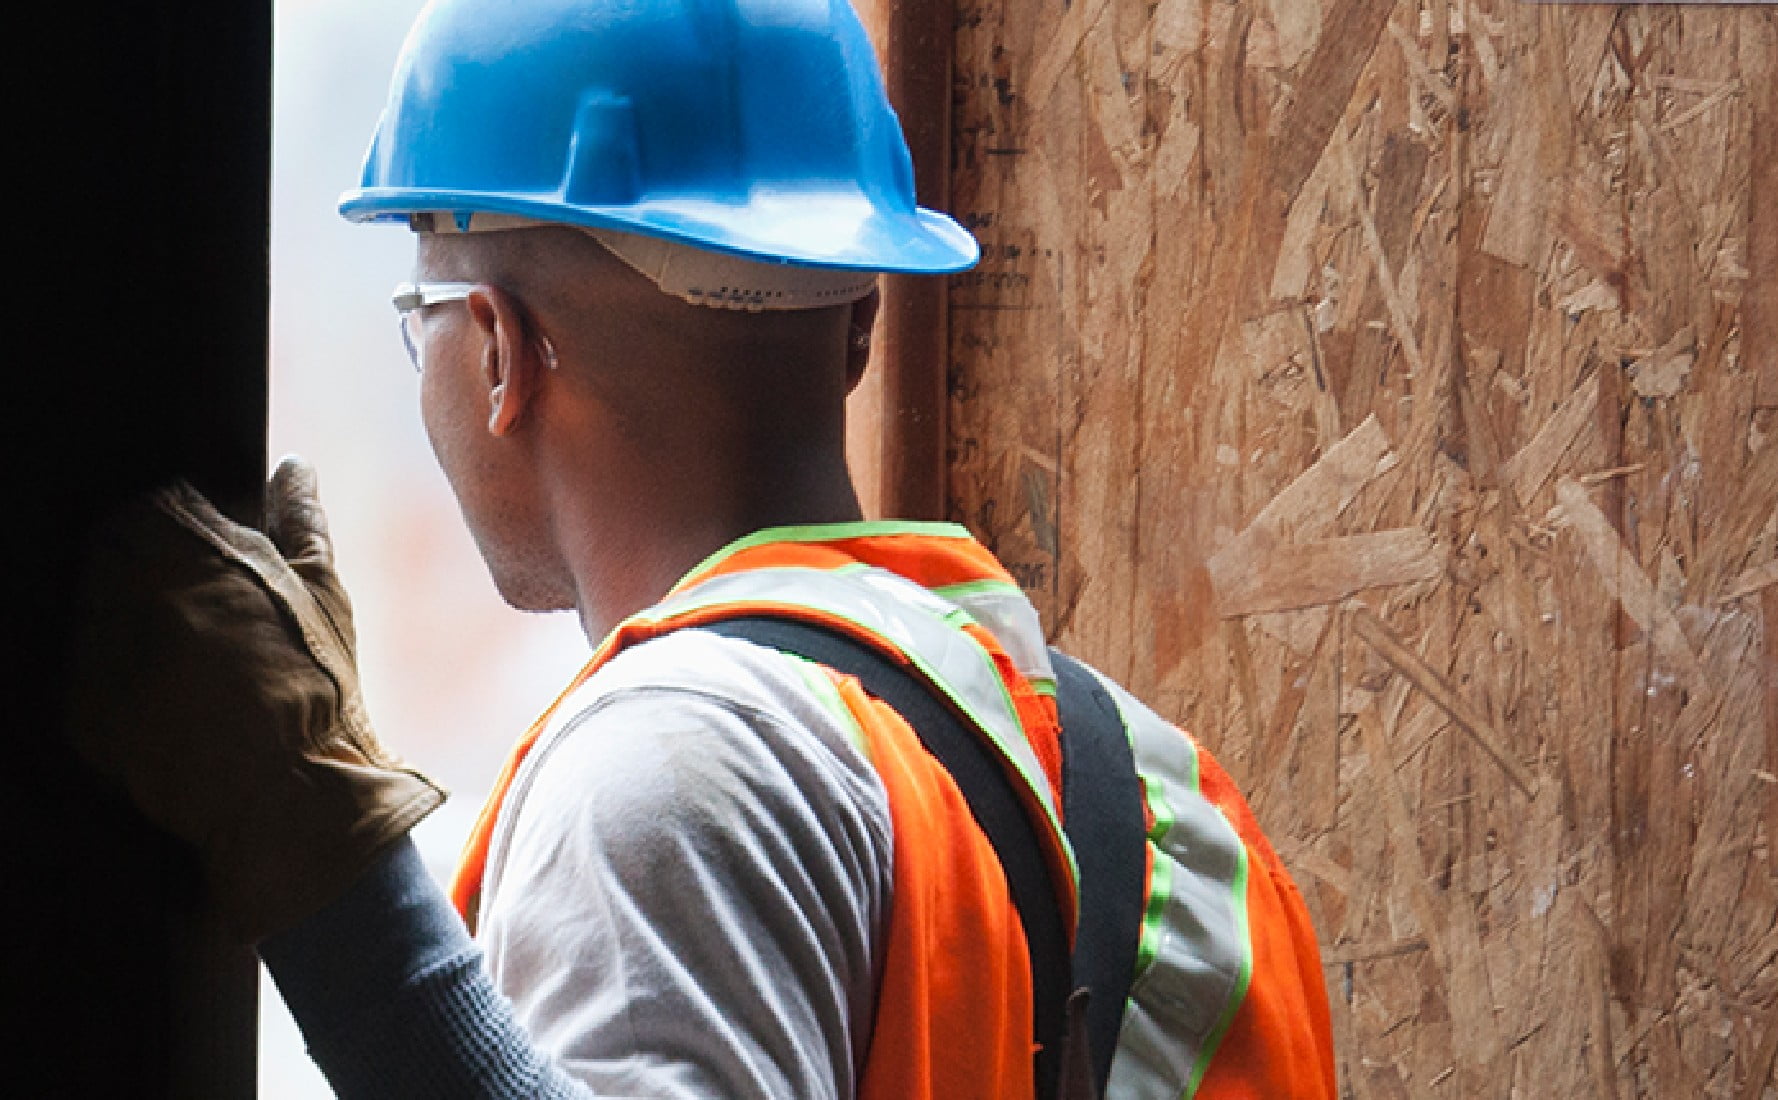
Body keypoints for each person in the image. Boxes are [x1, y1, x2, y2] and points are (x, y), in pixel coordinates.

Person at [66, 0, 1337, 1096]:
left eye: (424, 318)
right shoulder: (1165, 805)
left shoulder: (674, 773)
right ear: (857, 326)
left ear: (499, 351)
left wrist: (320, 855)